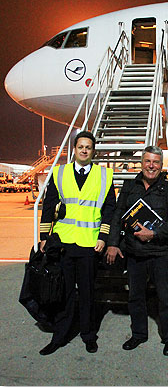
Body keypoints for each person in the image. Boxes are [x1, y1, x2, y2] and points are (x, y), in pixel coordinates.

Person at [39, 130, 116, 355]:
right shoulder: (59, 173)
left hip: (90, 243)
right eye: (81, 146)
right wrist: (45, 237)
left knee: (87, 292)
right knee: (64, 292)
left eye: (88, 147)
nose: (84, 150)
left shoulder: (104, 176)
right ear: (74, 149)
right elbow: (48, 206)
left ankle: (88, 335)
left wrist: (103, 237)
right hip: (63, 242)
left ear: (93, 151)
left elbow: (109, 209)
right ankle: (59, 336)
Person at [106, 146, 168, 356]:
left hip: (160, 253)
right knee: (136, 297)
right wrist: (113, 243)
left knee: (167, 298)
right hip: (135, 253)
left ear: (161, 165)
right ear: (142, 163)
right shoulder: (130, 187)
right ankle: (138, 334)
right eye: (148, 161)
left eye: (156, 162)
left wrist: (154, 234)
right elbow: (117, 216)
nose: (151, 166)